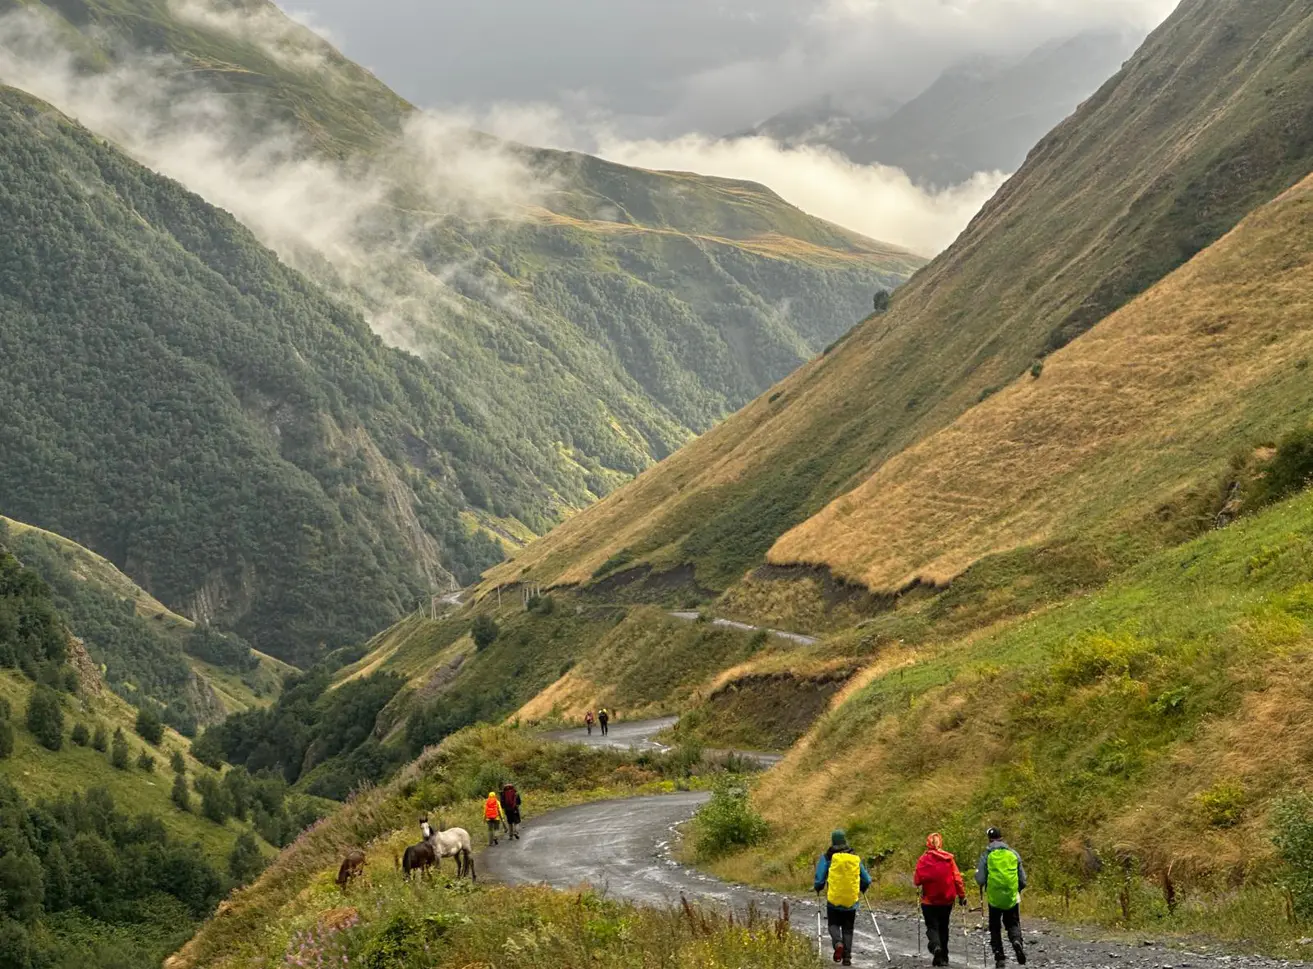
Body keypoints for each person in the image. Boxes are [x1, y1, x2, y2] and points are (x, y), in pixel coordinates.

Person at [814, 830, 871, 966]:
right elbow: (867, 879)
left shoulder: (828, 857)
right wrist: (862, 887)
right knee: (848, 929)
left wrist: (818, 887)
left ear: (833, 841)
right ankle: (847, 958)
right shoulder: (854, 857)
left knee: (833, 924)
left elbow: (820, 879)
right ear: (845, 840)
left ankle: (838, 943)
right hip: (851, 900)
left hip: (834, 899)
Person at [975, 827, 1027, 967]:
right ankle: (1016, 941)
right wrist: (1016, 890)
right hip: (1011, 896)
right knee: (1012, 923)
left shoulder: (986, 855)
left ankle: (999, 957)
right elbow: (1023, 880)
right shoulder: (1013, 853)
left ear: (989, 839)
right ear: (1001, 838)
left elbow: (980, 879)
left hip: (994, 897)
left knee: (995, 926)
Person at [914, 833, 967, 966]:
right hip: (946, 900)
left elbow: (917, 881)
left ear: (928, 843)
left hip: (929, 901)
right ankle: (943, 957)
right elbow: (957, 879)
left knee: (932, 927)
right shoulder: (948, 859)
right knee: (944, 927)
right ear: (940, 842)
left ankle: (935, 947)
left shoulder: (923, 859)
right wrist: (961, 895)